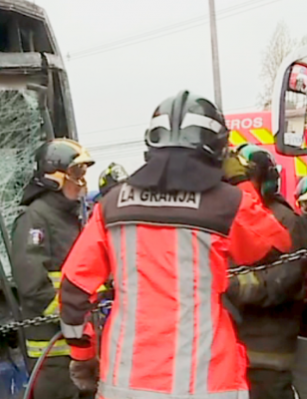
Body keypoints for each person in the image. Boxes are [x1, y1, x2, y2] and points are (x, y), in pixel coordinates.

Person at [56, 91, 292, 399]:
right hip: (208, 386)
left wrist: (83, 355)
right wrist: (239, 184)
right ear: (218, 150)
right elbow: (275, 245)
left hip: (124, 386)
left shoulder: (112, 205)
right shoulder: (227, 203)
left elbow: (73, 290)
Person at [10, 138, 96, 399]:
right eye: (76, 173)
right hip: (53, 354)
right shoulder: (34, 218)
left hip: (81, 347)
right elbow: (32, 286)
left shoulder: (73, 218)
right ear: (53, 177)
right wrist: (74, 317)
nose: (81, 181)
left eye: (83, 173)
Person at [224, 143, 307, 399]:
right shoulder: (232, 219)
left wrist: (230, 286)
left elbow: (285, 280)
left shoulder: (284, 220)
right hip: (235, 349)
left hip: (268, 351)